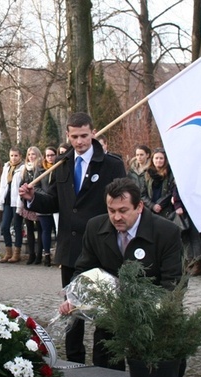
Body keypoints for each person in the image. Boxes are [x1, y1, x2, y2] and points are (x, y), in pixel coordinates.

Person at [19, 112, 126, 364]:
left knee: (105, 309)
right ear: (68, 135)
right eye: (74, 136)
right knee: (72, 307)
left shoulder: (111, 164)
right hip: (70, 248)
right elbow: (55, 201)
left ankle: (107, 363)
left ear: (94, 133)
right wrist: (33, 197)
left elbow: (123, 202)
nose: (79, 142)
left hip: (102, 248)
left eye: (84, 136)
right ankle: (75, 360)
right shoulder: (62, 163)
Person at [58, 177, 183, 371]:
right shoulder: (95, 227)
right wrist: (74, 297)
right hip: (110, 316)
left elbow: (173, 283)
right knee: (106, 376)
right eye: (111, 210)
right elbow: (83, 269)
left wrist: (155, 310)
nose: (116, 217)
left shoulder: (166, 232)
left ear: (139, 206)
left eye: (123, 211)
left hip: (153, 319)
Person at [0, 147, 25, 263]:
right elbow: (3, 185)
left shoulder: (22, 168)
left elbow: (21, 185)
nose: (13, 158)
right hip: (7, 200)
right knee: (4, 226)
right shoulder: (6, 167)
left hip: (17, 200)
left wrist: (20, 203)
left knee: (18, 226)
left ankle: (17, 253)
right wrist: (0, 202)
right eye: (12, 155)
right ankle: (8, 252)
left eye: (16, 156)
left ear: (20, 156)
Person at [17, 146, 44, 265]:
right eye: (29, 154)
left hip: (37, 200)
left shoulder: (40, 167)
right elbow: (21, 183)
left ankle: (39, 254)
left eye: (33, 154)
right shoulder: (24, 169)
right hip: (26, 202)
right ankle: (31, 254)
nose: (31, 156)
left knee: (40, 228)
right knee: (29, 229)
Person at [172, 185, 201, 276]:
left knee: (195, 237)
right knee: (185, 238)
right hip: (183, 210)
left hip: (194, 209)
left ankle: (197, 263)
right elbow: (176, 190)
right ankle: (190, 262)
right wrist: (177, 205)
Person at [141, 147, 175, 219]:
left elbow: (171, 191)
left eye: (161, 158)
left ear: (165, 160)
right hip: (150, 210)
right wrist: (152, 206)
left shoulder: (170, 173)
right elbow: (142, 194)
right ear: (152, 159)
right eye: (156, 158)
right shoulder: (146, 173)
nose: (158, 160)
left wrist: (160, 204)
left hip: (167, 210)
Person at [38, 146, 58, 267]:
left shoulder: (60, 167)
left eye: (52, 155)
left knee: (58, 230)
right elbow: (37, 186)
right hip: (44, 203)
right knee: (46, 230)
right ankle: (46, 255)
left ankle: (58, 255)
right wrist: (45, 196)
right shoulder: (40, 169)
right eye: (48, 155)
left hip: (56, 203)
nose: (50, 157)